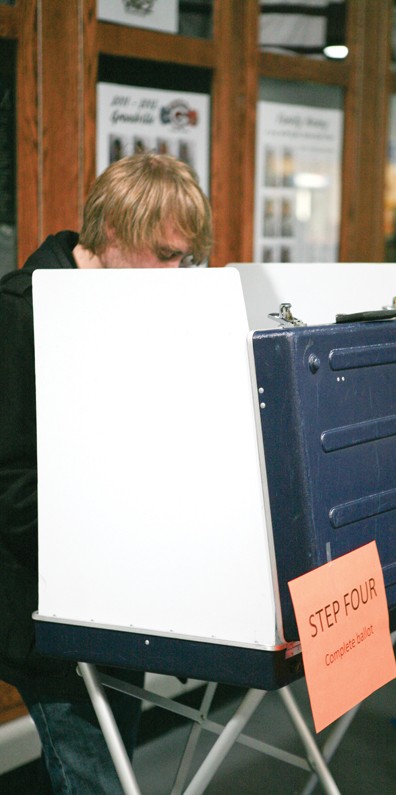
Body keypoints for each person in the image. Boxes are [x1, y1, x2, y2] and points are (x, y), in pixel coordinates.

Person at [0, 153, 212, 793]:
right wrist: (105, 547)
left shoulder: (132, 303)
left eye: (186, 260)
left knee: (104, 769)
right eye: (166, 255)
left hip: (119, 599)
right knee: (96, 776)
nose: (177, 275)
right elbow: (9, 486)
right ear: (113, 233)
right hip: (48, 608)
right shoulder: (19, 312)